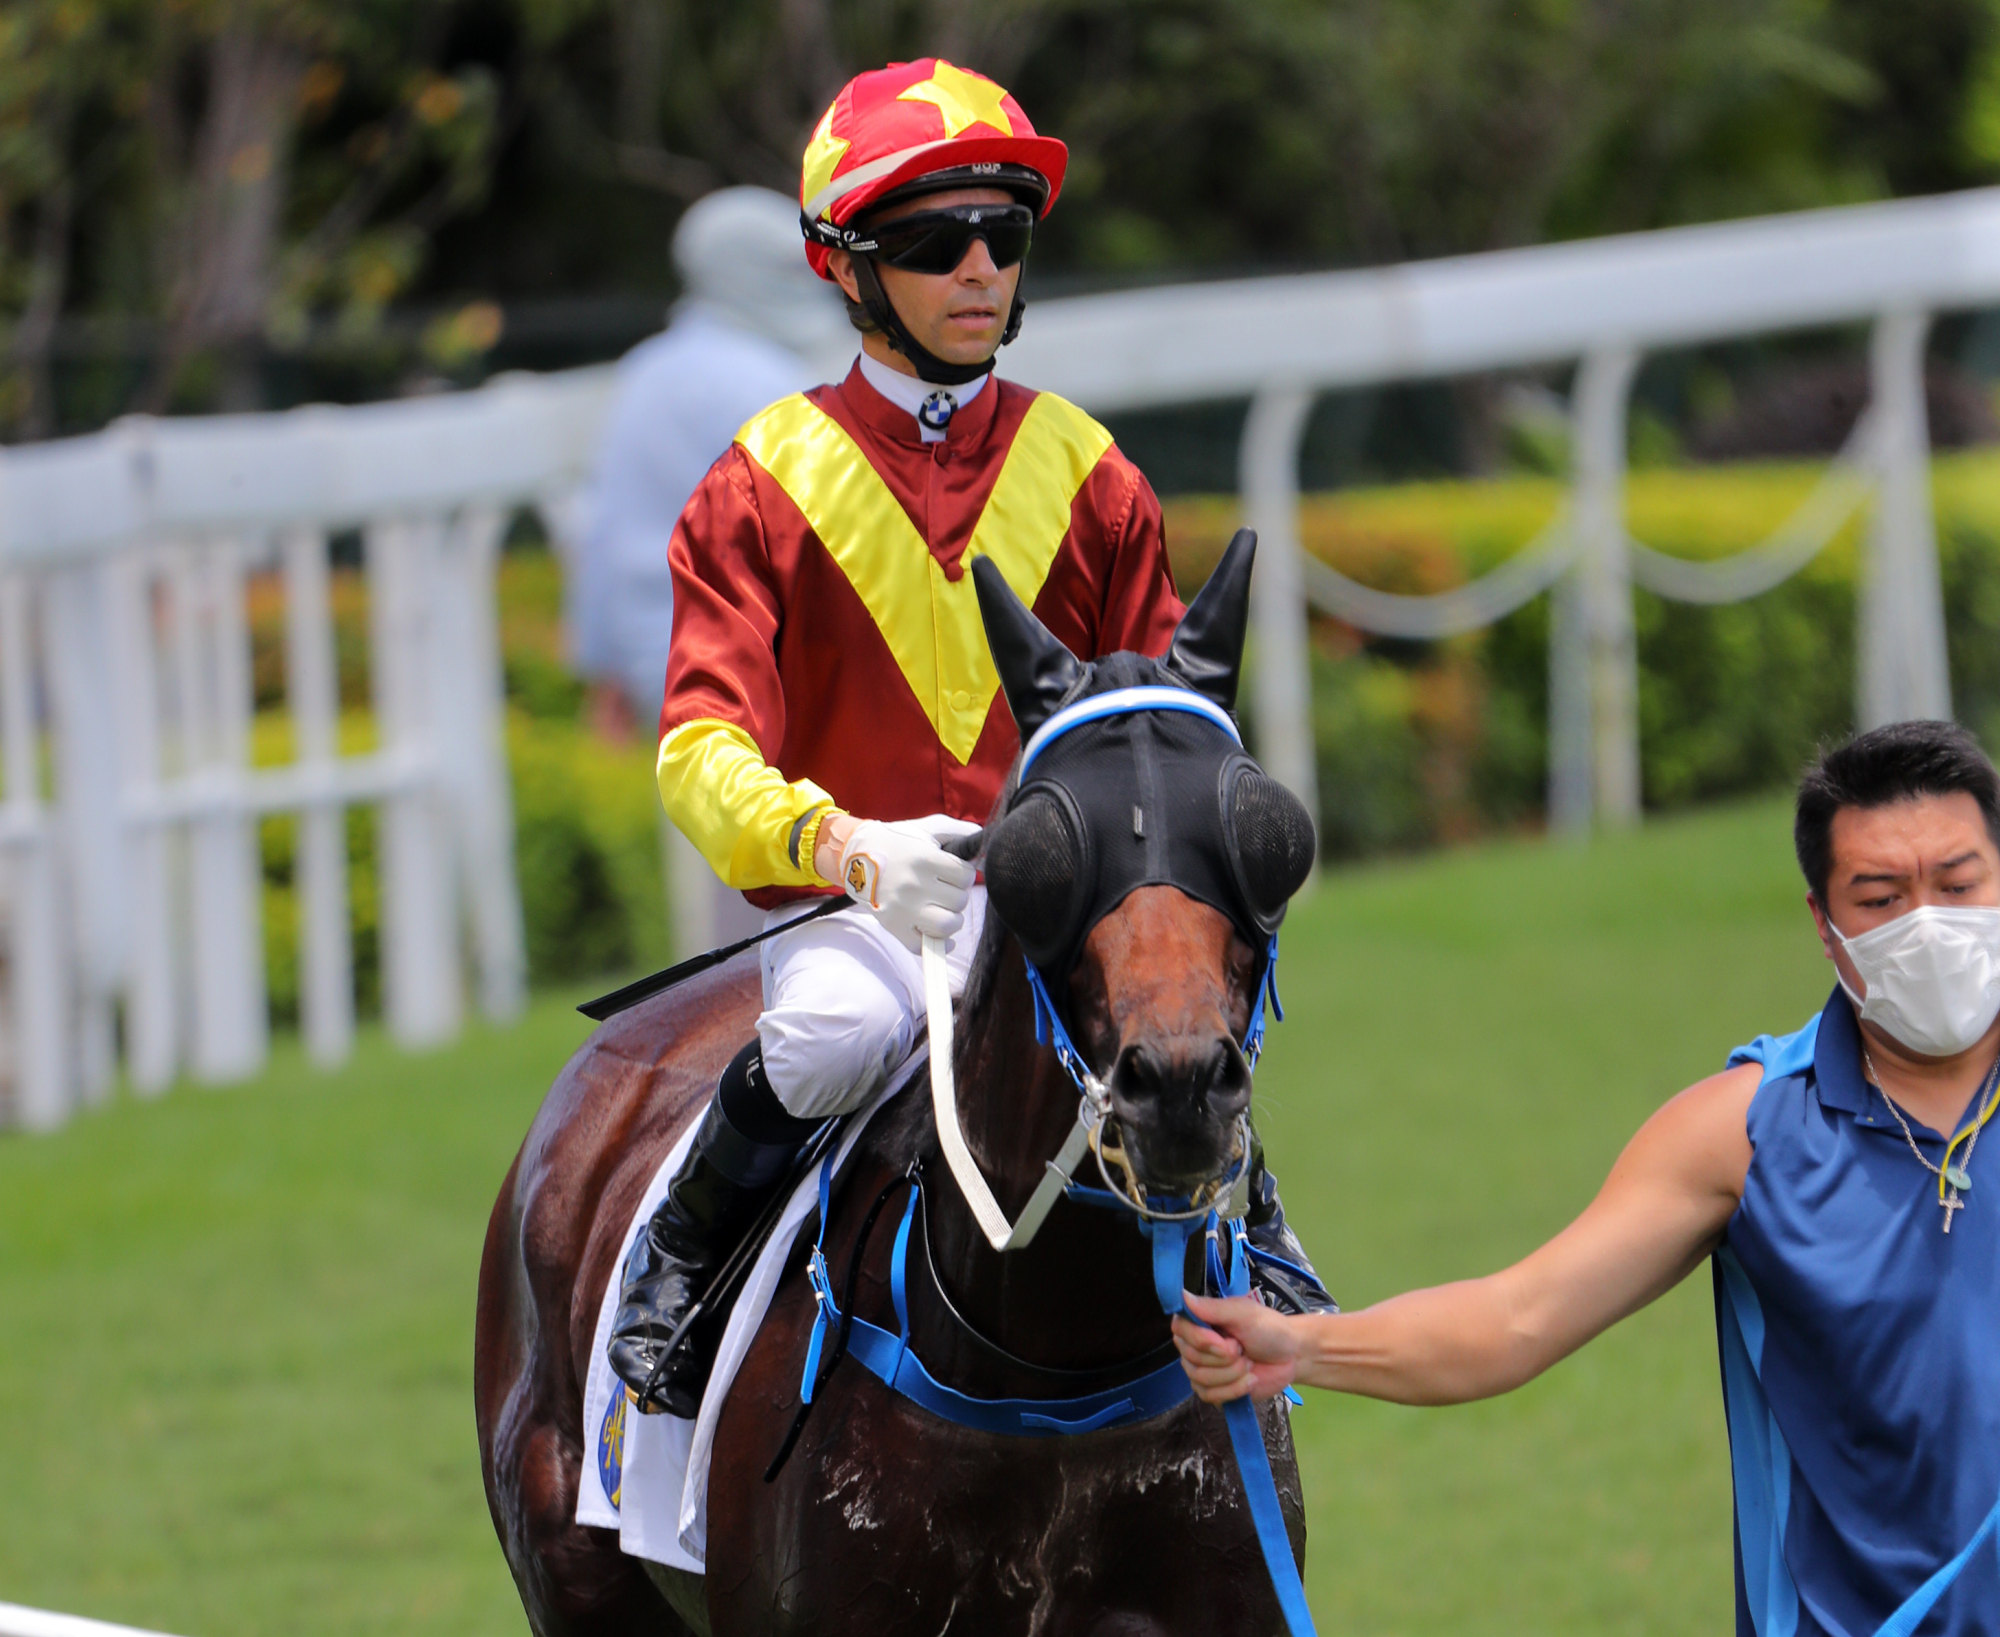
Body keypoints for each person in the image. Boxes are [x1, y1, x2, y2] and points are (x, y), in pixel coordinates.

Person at [607, 57, 1336, 1419]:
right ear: (844, 267)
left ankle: (1259, 1230)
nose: (980, 267)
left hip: (1071, 905)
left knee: (1183, 1016)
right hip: (870, 912)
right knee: (831, 1033)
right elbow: (696, 750)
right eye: (935, 241)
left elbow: (1171, 719)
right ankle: (678, 1260)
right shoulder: (761, 481)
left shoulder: (1086, 466)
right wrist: (843, 846)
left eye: (1006, 233)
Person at [1174, 718, 2000, 1636]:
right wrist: (1301, 1346)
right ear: (1823, 922)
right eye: (1881, 897)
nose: (1927, 923)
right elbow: (1515, 1317)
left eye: (1960, 885)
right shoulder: (1745, 1131)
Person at [568, 186, 845, 955]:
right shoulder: (763, 383)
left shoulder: (646, 372)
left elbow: (604, 532)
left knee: (726, 846)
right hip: (754, 660)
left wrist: (605, 670)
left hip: (663, 657)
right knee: (784, 860)